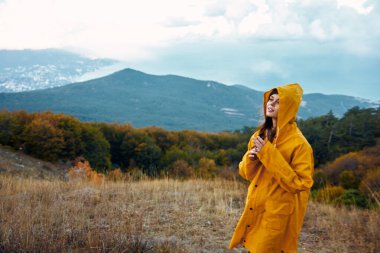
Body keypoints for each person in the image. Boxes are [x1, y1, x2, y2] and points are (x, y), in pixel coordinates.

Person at [228, 83, 314, 253]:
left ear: (289, 107)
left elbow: (301, 184)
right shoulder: (259, 135)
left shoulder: (300, 145)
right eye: (270, 99)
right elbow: (245, 173)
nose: (271, 104)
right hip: (255, 207)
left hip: (278, 214)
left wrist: (268, 154)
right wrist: (251, 159)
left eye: (278, 102)